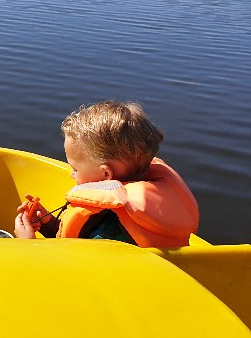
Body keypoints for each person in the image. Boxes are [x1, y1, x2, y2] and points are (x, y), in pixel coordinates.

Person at [14, 101, 199, 247]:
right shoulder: (152, 207)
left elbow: (75, 273)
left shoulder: (109, 234)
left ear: (105, 174)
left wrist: (29, 244)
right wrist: (49, 224)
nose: (71, 174)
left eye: (75, 169)